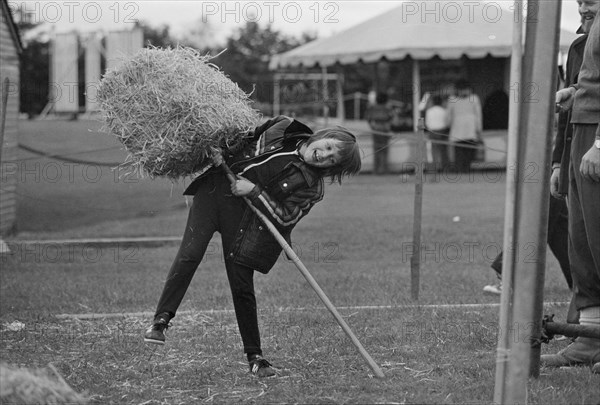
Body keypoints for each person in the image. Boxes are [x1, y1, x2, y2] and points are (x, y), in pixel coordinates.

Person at [143, 115, 362, 378]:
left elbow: (285, 216)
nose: (324, 155)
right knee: (190, 254)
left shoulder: (313, 187)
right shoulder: (284, 127)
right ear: (323, 135)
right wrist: (220, 153)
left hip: (247, 221)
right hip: (214, 193)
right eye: (328, 147)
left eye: (331, 160)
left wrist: (253, 191)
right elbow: (241, 138)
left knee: (241, 283)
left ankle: (256, 358)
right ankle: (161, 321)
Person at [541, 4, 600, 373]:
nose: (582, 7)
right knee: (582, 242)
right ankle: (591, 338)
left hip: (596, 135)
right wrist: (575, 91)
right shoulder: (584, 39)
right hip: (581, 130)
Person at [446, 79, 483, 173]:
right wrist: (479, 129)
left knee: (463, 150)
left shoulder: (453, 99)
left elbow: (448, 116)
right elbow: (478, 115)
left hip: (459, 129)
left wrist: (448, 125)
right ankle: (464, 169)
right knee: (465, 150)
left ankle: (462, 169)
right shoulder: (474, 98)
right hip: (468, 128)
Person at [365, 92, 393, 174]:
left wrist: (372, 126)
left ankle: (376, 170)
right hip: (385, 129)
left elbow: (368, 117)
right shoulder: (387, 108)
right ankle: (384, 169)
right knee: (384, 149)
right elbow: (392, 117)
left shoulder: (372, 107)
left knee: (376, 149)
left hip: (376, 129)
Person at [424, 94, 450, 172]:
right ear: (441, 102)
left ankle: (433, 169)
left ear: (433, 102)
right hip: (443, 132)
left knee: (433, 151)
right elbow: (447, 123)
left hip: (432, 132)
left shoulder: (429, 111)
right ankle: (445, 168)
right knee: (444, 151)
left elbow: (427, 123)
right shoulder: (444, 110)